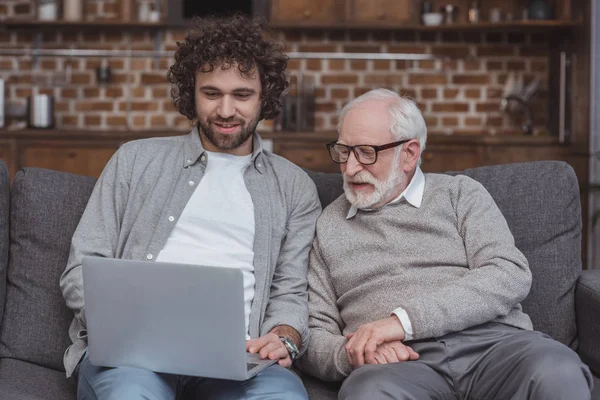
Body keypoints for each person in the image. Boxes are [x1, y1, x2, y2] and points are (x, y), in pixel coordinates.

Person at [60, 14, 321, 400]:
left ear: (265, 97)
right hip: (132, 357)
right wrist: (124, 323)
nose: (227, 110)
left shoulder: (295, 186)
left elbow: (291, 291)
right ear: (191, 93)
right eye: (212, 93)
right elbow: (81, 269)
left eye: (242, 95)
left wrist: (284, 335)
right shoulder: (134, 160)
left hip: (240, 360)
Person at [296, 88, 593, 399]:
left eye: (366, 152)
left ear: (409, 154)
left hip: (495, 347)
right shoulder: (329, 224)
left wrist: (401, 322)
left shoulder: (460, 195)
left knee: (558, 371)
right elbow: (313, 334)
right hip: (400, 367)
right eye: (344, 151)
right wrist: (354, 352)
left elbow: (508, 273)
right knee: (367, 392)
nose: (350, 168)